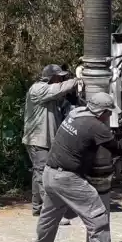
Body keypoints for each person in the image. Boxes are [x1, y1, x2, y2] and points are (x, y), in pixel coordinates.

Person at [32, 92, 122, 242]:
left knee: (50, 214)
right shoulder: (95, 126)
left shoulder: (75, 114)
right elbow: (117, 148)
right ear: (101, 112)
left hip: (50, 173)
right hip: (67, 179)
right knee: (97, 215)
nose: (110, 116)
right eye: (108, 113)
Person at [22, 64, 78, 217]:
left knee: (38, 173)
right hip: (38, 141)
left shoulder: (48, 93)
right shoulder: (38, 89)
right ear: (52, 77)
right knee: (44, 175)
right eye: (59, 76)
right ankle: (51, 213)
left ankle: (37, 207)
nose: (61, 79)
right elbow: (60, 88)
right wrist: (79, 79)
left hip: (42, 140)